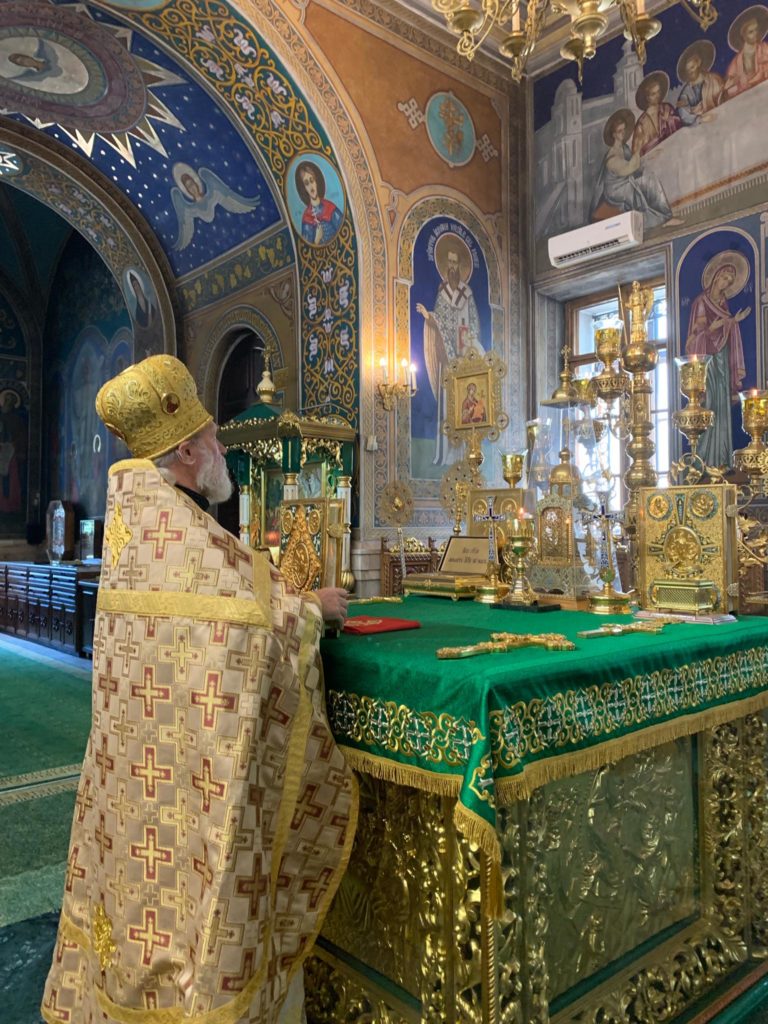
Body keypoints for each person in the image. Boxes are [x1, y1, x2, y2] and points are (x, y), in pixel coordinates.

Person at [41, 355, 356, 1024]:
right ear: (186, 452)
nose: (221, 448)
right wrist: (310, 610)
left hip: (144, 767)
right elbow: (241, 631)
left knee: (145, 894)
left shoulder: (139, 524)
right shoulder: (180, 530)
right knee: (196, 893)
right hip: (188, 769)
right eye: (211, 436)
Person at [416, 234, 480, 464]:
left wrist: (469, 341)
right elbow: (440, 320)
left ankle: (463, 457)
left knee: (465, 410)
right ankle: (445, 456)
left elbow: (474, 323)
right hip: (447, 359)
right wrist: (429, 316)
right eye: (449, 262)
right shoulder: (442, 292)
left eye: (455, 262)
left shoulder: (467, 294)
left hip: (464, 361)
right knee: (446, 409)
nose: (452, 266)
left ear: (460, 265)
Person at [685, 252, 751, 469]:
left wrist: (734, 321)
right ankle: (704, 459)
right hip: (707, 360)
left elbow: (726, 327)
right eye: (724, 278)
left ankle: (722, 459)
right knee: (710, 400)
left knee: (721, 403)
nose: (725, 284)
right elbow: (694, 339)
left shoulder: (723, 304)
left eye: (730, 282)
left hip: (722, 357)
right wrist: (712, 328)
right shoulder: (700, 302)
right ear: (716, 277)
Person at [589, 109, 678, 231]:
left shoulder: (624, 148)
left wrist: (650, 157)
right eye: (619, 131)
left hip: (626, 180)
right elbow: (630, 168)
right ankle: (656, 221)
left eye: (624, 130)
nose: (623, 133)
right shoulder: (612, 158)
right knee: (635, 190)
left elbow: (636, 165)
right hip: (616, 190)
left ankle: (665, 214)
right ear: (614, 134)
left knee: (650, 179)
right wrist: (639, 146)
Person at [631, 72, 681, 156]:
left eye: (658, 92)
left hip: (673, 151)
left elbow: (678, 126)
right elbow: (637, 153)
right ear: (647, 97)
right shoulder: (641, 123)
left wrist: (669, 120)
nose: (658, 96)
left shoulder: (667, 108)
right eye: (654, 94)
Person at [724, 5, 768, 99]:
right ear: (743, 36)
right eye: (751, 32)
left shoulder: (764, 48)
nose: (755, 33)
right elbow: (729, 87)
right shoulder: (737, 62)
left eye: (756, 30)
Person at [675, 40, 724, 125]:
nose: (691, 72)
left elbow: (723, 97)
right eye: (688, 70)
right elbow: (683, 114)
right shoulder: (687, 91)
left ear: (698, 63)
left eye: (692, 67)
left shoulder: (713, 79)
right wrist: (699, 119)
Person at [294, 160, 343, 245]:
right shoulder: (306, 217)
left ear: (316, 181)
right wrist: (317, 239)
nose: (311, 187)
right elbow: (308, 248)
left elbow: (342, 231)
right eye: (306, 183)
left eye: (312, 180)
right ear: (304, 188)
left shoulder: (330, 207)